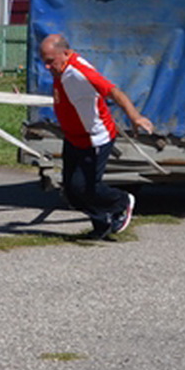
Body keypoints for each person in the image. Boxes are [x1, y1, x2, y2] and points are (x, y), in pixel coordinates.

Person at [40, 32, 154, 239]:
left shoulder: (80, 72)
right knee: (72, 193)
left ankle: (122, 201)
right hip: (74, 137)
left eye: (50, 62)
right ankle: (102, 224)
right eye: (44, 62)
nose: (47, 67)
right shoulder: (61, 69)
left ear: (66, 53)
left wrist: (135, 117)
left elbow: (115, 92)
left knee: (86, 187)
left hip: (95, 139)